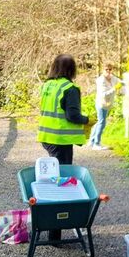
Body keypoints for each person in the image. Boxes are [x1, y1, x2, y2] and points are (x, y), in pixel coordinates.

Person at [37, 53, 89, 241]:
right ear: (71, 69)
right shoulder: (70, 88)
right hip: (60, 140)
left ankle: (52, 228)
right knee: (61, 183)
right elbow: (72, 116)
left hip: (47, 137)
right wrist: (88, 120)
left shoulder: (48, 85)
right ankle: (55, 232)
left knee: (54, 179)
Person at [89, 63, 121, 150]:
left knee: (100, 122)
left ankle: (92, 141)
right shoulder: (101, 80)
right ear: (103, 70)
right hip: (101, 103)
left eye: (110, 69)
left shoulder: (113, 78)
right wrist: (114, 89)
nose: (108, 71)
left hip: (107, 104)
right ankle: (96, 143)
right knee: (102, 122)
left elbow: (120, 82)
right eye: (106, 69)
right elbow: (104, 94)